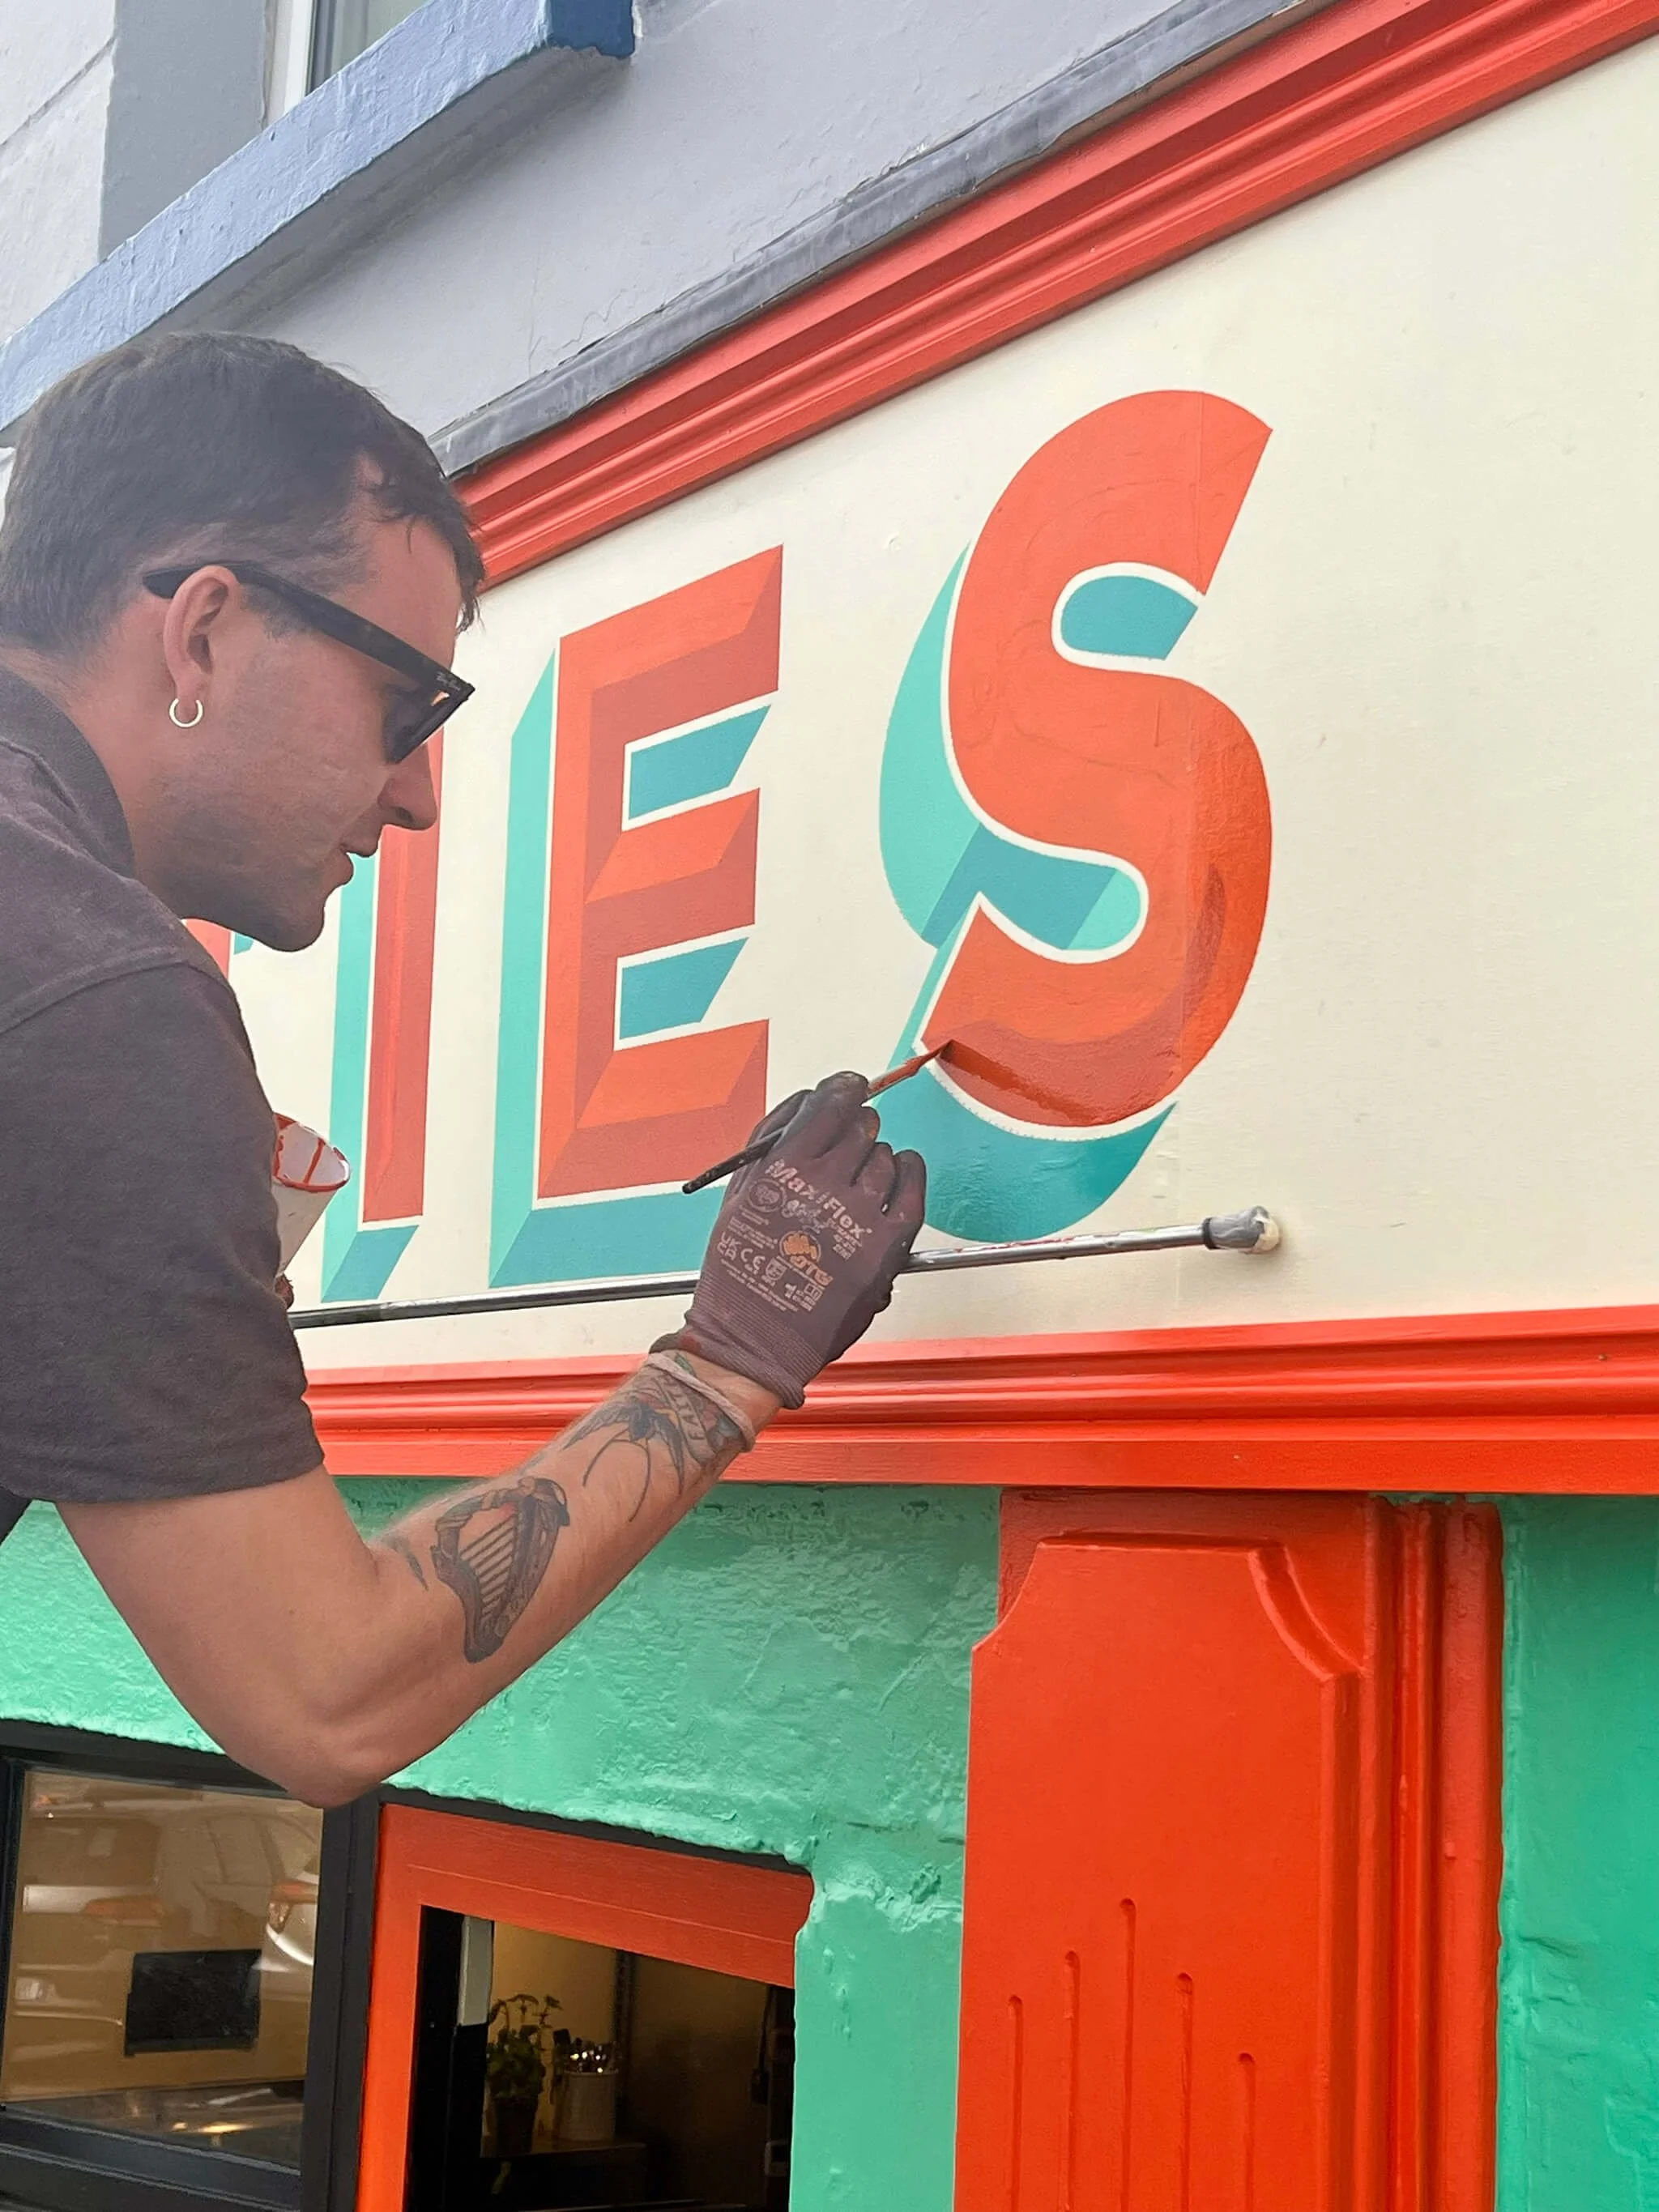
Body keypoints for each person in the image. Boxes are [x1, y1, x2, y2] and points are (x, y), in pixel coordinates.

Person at [0, 333, 924, 1806]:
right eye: (408, 706)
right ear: (203, 634)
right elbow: (328, 1691)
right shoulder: (98, 996)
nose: (422, 792)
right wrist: (734, 1360)